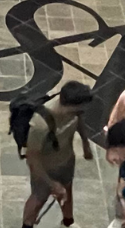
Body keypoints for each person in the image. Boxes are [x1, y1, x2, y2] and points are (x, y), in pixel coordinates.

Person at [22, 81, 97, 228]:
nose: (82, 111)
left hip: (67, 160)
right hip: (46, 169)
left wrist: (85, 143)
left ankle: (68, 223)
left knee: (67, 191)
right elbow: (32, 159)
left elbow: (79, 119)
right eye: (80, 109)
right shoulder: (40, 124)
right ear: (70, 106)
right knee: (38, 199)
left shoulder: (75, 112)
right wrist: (52, 184)